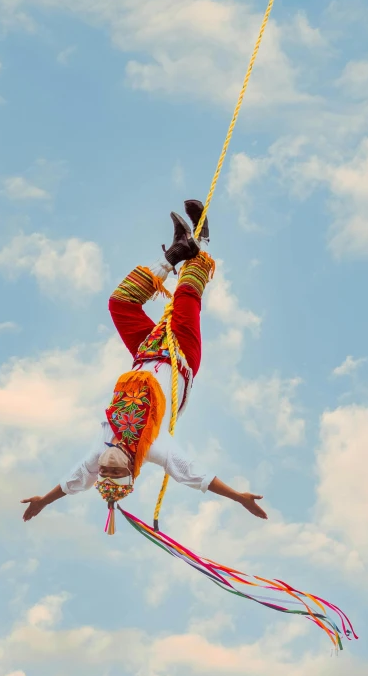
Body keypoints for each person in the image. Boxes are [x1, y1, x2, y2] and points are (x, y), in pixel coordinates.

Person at [21, 201, 268, 524]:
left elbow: (73, 481)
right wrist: (237, 496)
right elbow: (195, 474)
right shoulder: (153, 446)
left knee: (120, 303)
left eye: (104, 471)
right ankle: (203, 241)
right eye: (115, 471)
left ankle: (177, 252)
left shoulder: (99, 452)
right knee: (186, 297)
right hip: (180, 357)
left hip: (146, 352)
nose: (107, 465)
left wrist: (44, 501)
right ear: (129, 469)